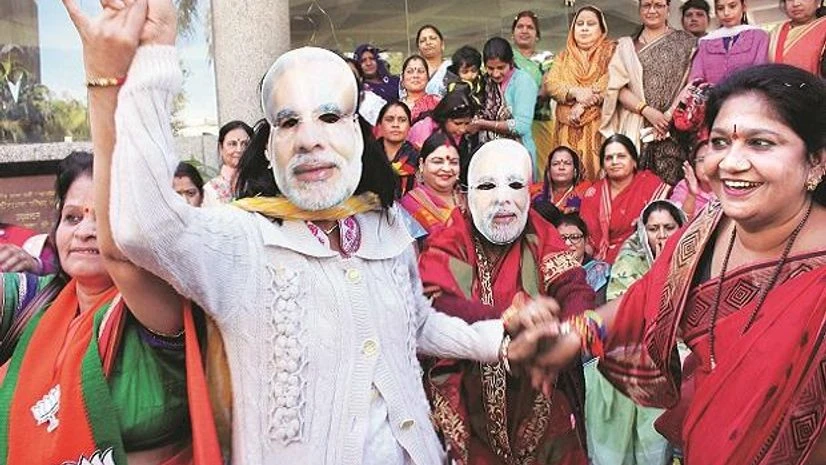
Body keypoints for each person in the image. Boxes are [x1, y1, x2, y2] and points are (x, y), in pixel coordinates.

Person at [69, 2, 557, 462]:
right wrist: (153, 56)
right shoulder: (241, 240)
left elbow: (415, 323)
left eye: (329, 116)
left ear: (357, 136)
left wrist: (497, 338)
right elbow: (142, 225)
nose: (309, 138)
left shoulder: (383, 226)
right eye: (288, 122)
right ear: (268, 148)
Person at [526, 64, 826, 464]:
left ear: (817, 162)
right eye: (720, 142)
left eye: (760, 143)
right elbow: (639, 304)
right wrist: (575, 334)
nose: (730, 163)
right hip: (705, 446)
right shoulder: (703, 232)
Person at [0, 152, 220, 464]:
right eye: (73, 218)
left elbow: (122, 256)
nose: (84, 231)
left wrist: (104, 103)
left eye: (103, 217)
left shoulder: (159, 307)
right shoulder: (38, 302)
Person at [418, 139, 593, 465]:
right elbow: (433, 305)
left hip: (541, 407)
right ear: (463, 196)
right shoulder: (448, 240)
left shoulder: (541, 234)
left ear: (530, 192)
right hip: (470, 414)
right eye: (487, 186)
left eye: (515, 185)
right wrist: (510, 319)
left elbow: (574, 288)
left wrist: (571, 332)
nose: (503, 199)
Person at [584, 200, 686, 465]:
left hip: (682, 345)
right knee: (614, 376)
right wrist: (660, 269)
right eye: (653, 229)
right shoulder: (630, 257)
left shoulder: (695, 255)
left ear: (682, 228)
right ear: (643, 231)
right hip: (637, 343)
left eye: (669, 227)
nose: (662, 235)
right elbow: (625, 313)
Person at [600, 0, 696, 185]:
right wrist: (647, 111)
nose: (652, 10)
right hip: (634, 126)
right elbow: (616, 88)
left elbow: (691, 84)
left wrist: (667, 117)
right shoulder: (625, 46)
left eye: (658, 5)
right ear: (640, 9)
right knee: (632, 189)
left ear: (668, 9)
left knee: (670, 190)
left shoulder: (686, 43)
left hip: (672, 130)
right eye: (647, 5)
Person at [546, 6, 616, 181]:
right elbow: (552, 84)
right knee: (567, 178)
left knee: (599, 178)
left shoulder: (611, 52)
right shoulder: (563, 57)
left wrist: (583, 104)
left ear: (601, 29)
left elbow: (612, 79)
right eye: (580, 24)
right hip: (567, 127)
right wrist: (574, 92)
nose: (584, 28)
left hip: (600, 125)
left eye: (591, 24)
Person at [579, 134, 671, 264]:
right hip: (601, 263)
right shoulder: (593, 194)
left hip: (644, 258)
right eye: (609, 158)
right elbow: (588, 239)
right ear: (603, 166)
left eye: (621, 156)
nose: (615, 162)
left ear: (634, 162)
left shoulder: (650, 184)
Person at [470, 37, 540, 177]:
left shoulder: (523, 82)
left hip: (517, 156)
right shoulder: (483, 83)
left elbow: (521, 126)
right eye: (490, 68)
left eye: (501, 67)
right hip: (488, 158)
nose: (495, 73)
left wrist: (483, 124)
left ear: (511, 62)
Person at [511, 10, 556, 176]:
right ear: (512, 34)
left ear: (537, 35)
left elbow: (547, 88)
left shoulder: (546, 57)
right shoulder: (506, 59)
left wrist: (522, 103)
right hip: (510, 125)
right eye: (520, 27)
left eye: (530, 27)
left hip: (539, 122)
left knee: (544, 171)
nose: (524, 30)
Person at [687, 0, 768, 85]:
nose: (726, 13)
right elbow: (696, 79)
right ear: (716, 12)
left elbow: (761, 73)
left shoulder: (759, 36)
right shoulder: (705, 42)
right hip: (712, 97)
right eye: (720, 8)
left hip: (749, 96)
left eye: (732, 6)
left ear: (743, 7)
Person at [399, 131, 461, 235]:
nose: (446, 168)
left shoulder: (466, 199)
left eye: (453, 162)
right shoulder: (410, 204)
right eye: (437, 162)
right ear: (422, 164)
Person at [554, 213, 610, 304]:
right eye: (562, 238)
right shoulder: (549, 273)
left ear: (586, 240)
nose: (568, 243)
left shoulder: (600, 273)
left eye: (575, 237)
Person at [768, 0, 826, 77]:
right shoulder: (775, 33)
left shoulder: (823, 27)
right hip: (777, 86)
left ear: (818, 2)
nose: (795, 4)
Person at [202, 120, 253, 206]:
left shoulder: (262, 184)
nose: (239, 150)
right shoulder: (209, 191)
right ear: (221, 148)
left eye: (245, 144)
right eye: (232, 144)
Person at [376, 101, 419, 197]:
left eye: (402, 120)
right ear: (380, 124)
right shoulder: (367, 155)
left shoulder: (417, 158)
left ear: (409, 125)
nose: (395, 125)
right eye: (389, 119)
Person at [670, 131, 716, 218]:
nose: (707, 165)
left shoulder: (729, 188)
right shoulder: (684, 186)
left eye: (712, 159)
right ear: (693, 165)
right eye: (702, 160)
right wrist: (692, 195)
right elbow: (678, 223)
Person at [533, 146, 591, 214]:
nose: (561, 167)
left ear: (575, 170)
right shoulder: (535, 191)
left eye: (567, 163)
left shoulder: (586, 190)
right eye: (555, 164)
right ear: (549, 170)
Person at [400, 55, 441, 124]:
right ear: (402, 78)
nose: (415, 76)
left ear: (428, 78)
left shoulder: (438, 103)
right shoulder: (395, 107)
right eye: (410, 71)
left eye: (421, 71)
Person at [416, 24, 451, 96]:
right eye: (423, 40)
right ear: (418, 49)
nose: (428, 42)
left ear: (442, 45)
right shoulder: (411, 73)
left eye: (433, 38)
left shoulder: (452, 68)